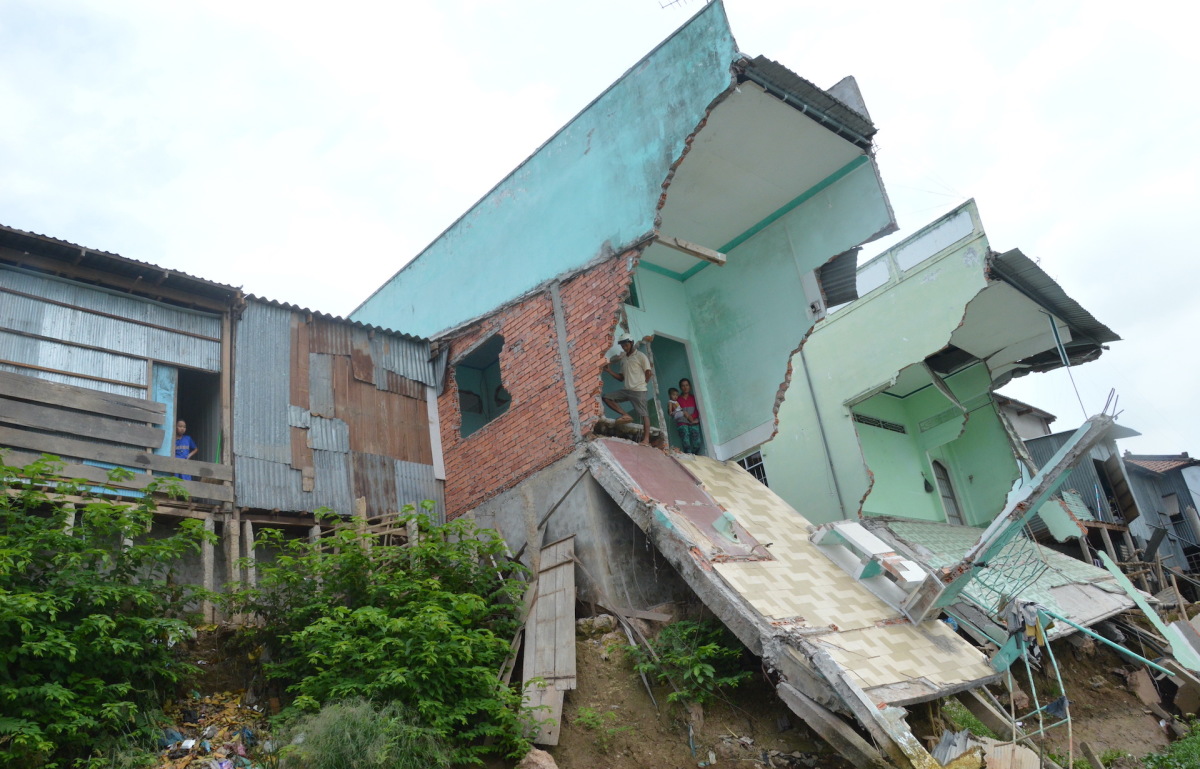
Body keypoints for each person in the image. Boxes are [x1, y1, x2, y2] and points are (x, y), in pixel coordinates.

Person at [602, 337, 652, 444]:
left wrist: (643, 384)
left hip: (639, 390)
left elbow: (648, 372)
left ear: (632, 343)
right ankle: (626, 415)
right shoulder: (624, 359)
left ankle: (646, 439)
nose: (624, 348)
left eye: (626, 345)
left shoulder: (640, 356)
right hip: (627, 390)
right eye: (622, 346)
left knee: (644, 414)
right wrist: (609, 371)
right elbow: (621, 378)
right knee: (606, 397)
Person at [676, 378, 703, 455]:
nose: (685, 387)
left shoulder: (694, 398)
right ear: (680, 387)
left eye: (687, 385)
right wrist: (685, 416)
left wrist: (692, 418)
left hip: (693, 422)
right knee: (686, 443)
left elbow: (698, 410)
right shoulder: (678, 399)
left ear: (690, 386)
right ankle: (689, 457)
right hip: (682, 423)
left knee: (697, 443)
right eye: (683, 386)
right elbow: (676, 413)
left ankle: (695, 456)